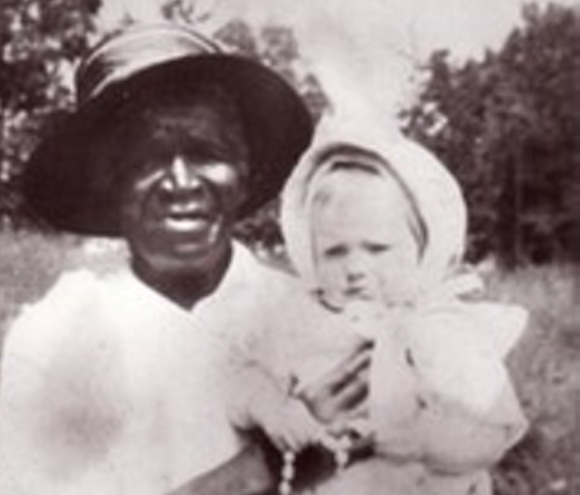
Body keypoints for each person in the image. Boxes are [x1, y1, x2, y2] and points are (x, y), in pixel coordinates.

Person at [0, 23, 322, 495]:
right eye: (147, 159)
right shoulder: (55, 335)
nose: (181, 182)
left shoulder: (312, 318)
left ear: (244, 172)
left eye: (207, 153)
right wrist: (261, 468)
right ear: (108, 185)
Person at [226, 112, 530, 495]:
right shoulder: (298, 318)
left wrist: (420, 441)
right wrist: (271, 409)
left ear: (423, 246)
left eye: (378, 248)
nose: (355, 268)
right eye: (334, 251)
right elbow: (239, 377)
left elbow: (491, 433)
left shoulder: (443, 328)